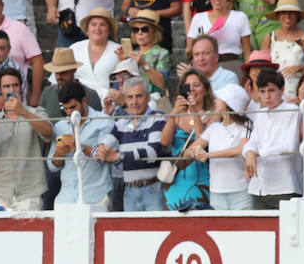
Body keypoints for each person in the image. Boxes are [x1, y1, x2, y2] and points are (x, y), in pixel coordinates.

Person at [0, 69, 53, 211]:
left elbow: (48, 132)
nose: (12, 89)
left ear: (21, 87)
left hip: (30, 191)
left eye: (15, 85)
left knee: (29, 234)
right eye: (6, 87)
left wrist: (23, 112)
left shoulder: (36, 112)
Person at [48, 80, 118, 208]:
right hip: (65, 198)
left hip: (96, 197)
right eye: (65, 108)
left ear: (84, 101)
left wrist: (78, 146)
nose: (69, 112)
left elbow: (106, 157)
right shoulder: (60, 126)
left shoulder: (103, 121)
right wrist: (59, 153)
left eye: (73, 107)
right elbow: (52, 167)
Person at [242, 71, 303, 209]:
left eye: (271, 90)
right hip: (258, 187)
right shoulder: (261, 114)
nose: (267, 96)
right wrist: (249, 152)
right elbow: (251, 143)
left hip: (284, 186)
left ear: (282, 90)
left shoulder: (292, 111)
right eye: (262, 91)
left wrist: (256, 153)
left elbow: (289, 146)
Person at [107, 74, 167, 211]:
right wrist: (98, 152)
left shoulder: (158, 118)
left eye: (138, 96)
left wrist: (118, 156)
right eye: (130, 97)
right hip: (129, 191)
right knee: (133, 232)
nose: (134, 102)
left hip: (153, 189)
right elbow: (102, 148)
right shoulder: (121, 123)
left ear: (147, 97)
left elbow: (152, 153)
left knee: (157, 232)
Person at [161, 69, 216, 211]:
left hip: (200, 178)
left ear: (205, 88)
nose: (191, 90)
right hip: (176, 180)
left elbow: (201, 139)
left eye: (196, 85)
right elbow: (165, 141)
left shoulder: (212, 113)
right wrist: (174, 112)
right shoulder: (178, 115)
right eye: (187, 86)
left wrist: (194, 111)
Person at [192, 105, 253, 209]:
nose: (214, 101)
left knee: (244, 226)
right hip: (216, 193)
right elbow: (191, 149)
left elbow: (240, 149)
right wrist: (196, 152)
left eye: (218, 98)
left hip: (241, 192)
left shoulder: (246, 125)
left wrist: (207, 155)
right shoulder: (213, 127)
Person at [186, 0, 252, 61]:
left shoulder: (240, 17)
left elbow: (247, 52)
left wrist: (248, 72)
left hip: (231, 64)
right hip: (205, 65)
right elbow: (190, 49)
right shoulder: (198, 18)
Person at [263, 0, 304, 99]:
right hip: (272, 92)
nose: (287, 16)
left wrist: (301, 68)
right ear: (278, 15)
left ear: (297, 15)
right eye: (283, 12)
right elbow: (262, 68)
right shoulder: (269, 37)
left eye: (291, 13)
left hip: (297, 92)